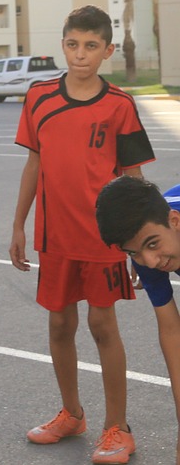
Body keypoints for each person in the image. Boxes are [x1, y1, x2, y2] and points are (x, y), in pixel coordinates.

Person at [9, 5, 155, 464]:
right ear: (64, 44)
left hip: (104, 240)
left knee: (102, 325)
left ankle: (118, 428)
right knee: (58, 324)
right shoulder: (40, 98)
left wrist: (138, 245)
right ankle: (72, 413)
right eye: (73, 44)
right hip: (55, 238)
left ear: (107, 50)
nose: (80, 54)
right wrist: (18, 223)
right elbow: (34, 164)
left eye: (91, 46)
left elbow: (133, 179)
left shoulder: (120, 105)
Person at [97, 176, 180, 465]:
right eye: (133, 253)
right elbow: (172, 334)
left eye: (152, 245)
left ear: (175, 221)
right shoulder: (146, 250)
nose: (151, 261)